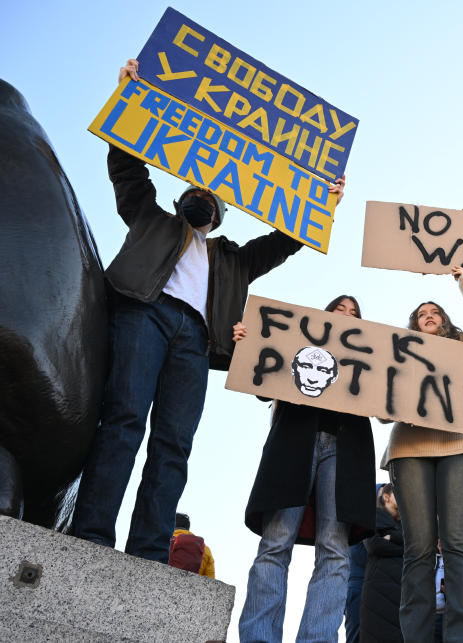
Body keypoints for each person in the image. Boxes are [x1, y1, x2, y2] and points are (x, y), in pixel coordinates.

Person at [71, 58, 346, 564]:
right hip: (144, 316)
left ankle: (150, 552)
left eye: (212, 195)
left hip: (196, 343)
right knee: (124, 420)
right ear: (181, 200)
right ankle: (89, 534)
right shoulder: (150, 219)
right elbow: (128, 169)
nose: (203, 197)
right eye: (194, 191)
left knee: (173, 444)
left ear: (222, 212)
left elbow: (288, 238)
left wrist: (322, 202)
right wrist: (129, 98)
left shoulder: (237, 258)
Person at [236, 295, 375, 643]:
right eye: (339, 310)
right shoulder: (297, 344)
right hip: (294, 444)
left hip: (345, 451)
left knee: (335, 551)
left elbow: (394, 399)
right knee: (275, 542)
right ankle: (258, 638)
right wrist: (246, 344)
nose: (346, 315)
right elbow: (261, 387)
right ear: (323, 317)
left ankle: (318, 639)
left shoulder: (370, 359)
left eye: (353, 313)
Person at [380, 266, 463, 643]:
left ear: (446, 320)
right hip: (410, 448)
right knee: (418, 548)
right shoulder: (400, 356)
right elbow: (382, 408)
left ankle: (461, 636)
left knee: (455, 543)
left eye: (435, 311)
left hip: (461, 445)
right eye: (421, 314)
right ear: (414, 326)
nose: (429, 315)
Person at [360, 484, 404, 643]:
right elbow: (374, 545)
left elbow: (418, 546)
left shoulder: (408, 523)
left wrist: (391, 538)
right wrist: (404, 546)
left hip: (403, 589)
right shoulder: (374, 516)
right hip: (379, 587)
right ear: (386, 497)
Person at [168, 512, 215, 578]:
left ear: (171, 525)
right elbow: (211, 579)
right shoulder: (205, 548)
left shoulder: (164, 542)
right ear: (187, 527)